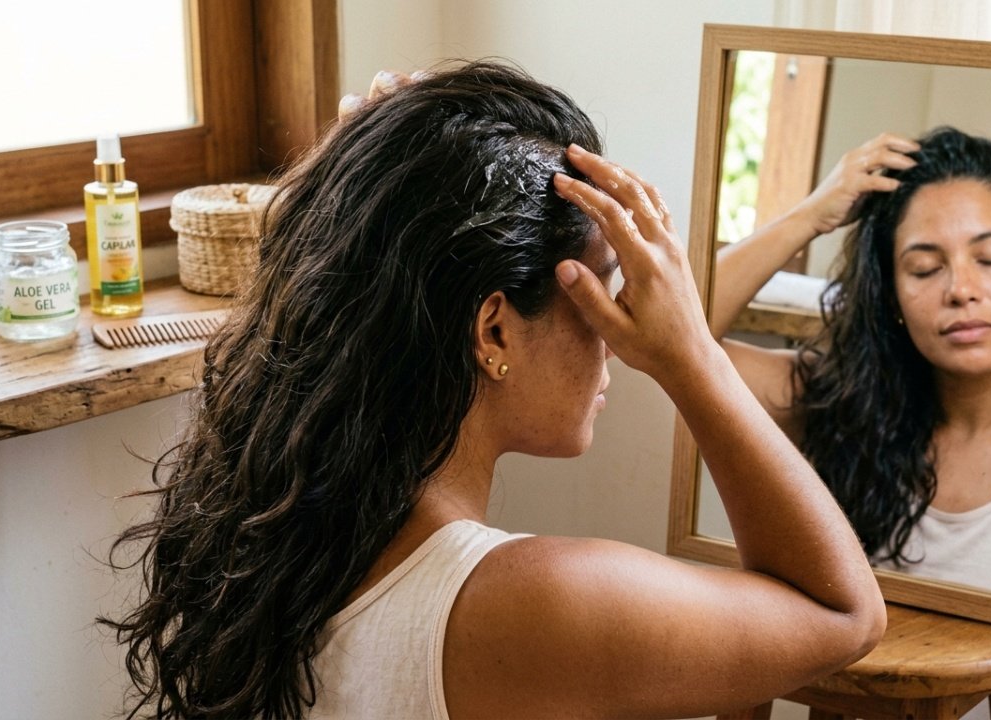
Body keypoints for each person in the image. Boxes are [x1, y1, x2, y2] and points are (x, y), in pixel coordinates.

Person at [100, 61, 884, 719]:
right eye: (604, 290)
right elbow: (844, 615)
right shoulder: (538, 605)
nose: (617, 329)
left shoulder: (269, 526)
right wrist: (691, 357)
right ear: (495, 332)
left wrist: (353, 186)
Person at [713, 126, 991, 608]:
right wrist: (809, 216)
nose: (961, 289)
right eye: (925, 268)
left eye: (990, 258)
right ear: (894, 295)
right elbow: (665, 333)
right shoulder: (836, 401)